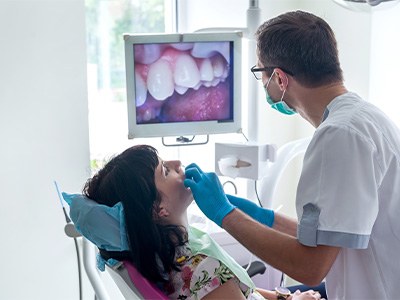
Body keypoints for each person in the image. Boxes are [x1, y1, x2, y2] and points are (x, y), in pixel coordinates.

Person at [183, 10, 400, 300]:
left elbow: (311, 267)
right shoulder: (364, 119)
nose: (263, 83)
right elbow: (337, 231)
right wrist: (265, 218)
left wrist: (226, 216)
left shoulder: (339, 136)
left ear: (280, 79)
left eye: (261, 73)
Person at [67, 144, 323, 300]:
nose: (178, 163)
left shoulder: (169, 253)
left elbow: (241, 288)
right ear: (159, 209)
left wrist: (282, 296)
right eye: (164, 170)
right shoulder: (202, 271)